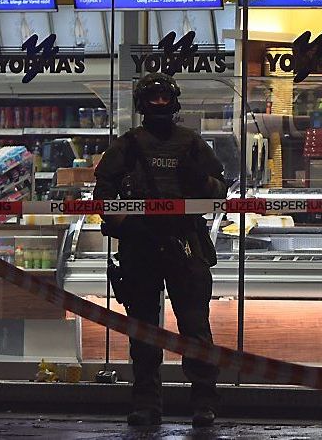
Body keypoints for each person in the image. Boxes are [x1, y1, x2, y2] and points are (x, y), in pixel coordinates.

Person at [94, 72, 227, 428]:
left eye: (164, 98)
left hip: (184, 242)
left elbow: (219, 192)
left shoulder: (190, 143)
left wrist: (199, 181)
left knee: (195, 328)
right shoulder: (127, 145)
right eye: (152, 99)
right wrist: (126, 223)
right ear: (141, 103)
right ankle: (147, 404)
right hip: (140, 245)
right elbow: (103, 195)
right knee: (143, 331)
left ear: (175, 101)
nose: (159, 105)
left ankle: (203, 402)